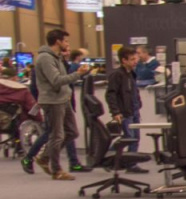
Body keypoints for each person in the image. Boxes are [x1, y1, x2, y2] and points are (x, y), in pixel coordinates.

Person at [32, 28, 92, 180]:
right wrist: (78, 74)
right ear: (58, 41)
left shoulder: (56, 57)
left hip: (62, 99)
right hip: (52, 101)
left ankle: (44, 157)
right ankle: (56, 170)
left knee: (72, 132)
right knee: (57, 136)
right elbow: (56, 80)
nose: (67, 43)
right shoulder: (45, 58)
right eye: (65, 41)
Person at [106, 46, 148, 174]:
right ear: (124, 60)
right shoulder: (117, 75)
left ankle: (131, 164)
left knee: (135, 138)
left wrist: (138, 103)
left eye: (136, 58)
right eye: (132, 59)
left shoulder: (131, 74)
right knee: (128, 137)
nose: (135, 61)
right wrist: (115, 111)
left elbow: (134, 91)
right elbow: (111, 94)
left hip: (134, 110)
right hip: (124, 112)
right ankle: (108, 158)